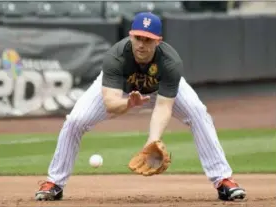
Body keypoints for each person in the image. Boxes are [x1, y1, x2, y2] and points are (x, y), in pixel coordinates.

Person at [35, 12, 246, 202]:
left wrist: (152, 141)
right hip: (122, 92)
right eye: (137, 38)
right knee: (75, 121)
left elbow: (164, 107)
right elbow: (110, 103)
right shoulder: (116, 56)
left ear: (158, 42)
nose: (141, 44)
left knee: (199, 113)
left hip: (159, 88)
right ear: (130, 35)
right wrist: (128, 104)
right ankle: (54, 183)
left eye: (148, 40)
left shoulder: (170, 62)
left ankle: (223, 180)